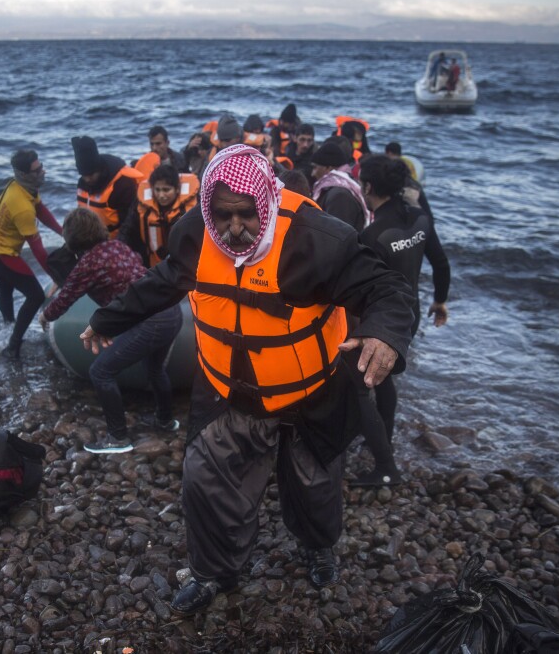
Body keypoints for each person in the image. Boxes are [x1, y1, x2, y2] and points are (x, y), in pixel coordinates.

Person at [80, 144, 414, 616]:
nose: (234, 229)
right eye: (223, 216)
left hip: (310, 394)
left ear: (267, 203)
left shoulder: (318, 240)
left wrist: (384, 333)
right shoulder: (195, 234)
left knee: (314, 484)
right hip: (228, 393)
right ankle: (215, 572)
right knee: (206, 482)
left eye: (247, 216)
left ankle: (318, 547)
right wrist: (107, 320)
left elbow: (386, 288)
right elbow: (163, 282)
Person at [39, 208, 183, 453]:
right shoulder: (118, 247)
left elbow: (66, 299)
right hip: (172, 312)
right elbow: (134, 270)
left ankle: (118, 439)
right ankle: (165, 421)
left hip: (152, 322)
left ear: (72, 237)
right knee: (155, 368)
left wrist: (45, 316)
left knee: (101, 372)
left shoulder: (88, 263)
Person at [350, 154, 450, 487]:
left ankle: (385, 466)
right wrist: (440, 301)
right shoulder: (420, 218)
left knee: (360, 387)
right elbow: (440, 263)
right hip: (412, 314)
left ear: (368, 187)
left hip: (379, 322)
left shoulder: (373, 234)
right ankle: (383, 438)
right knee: (386, 379)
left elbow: (359, 289)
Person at [0, 149, 62, 360]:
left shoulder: (23, 188)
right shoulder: (22, 207)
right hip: (1, 253)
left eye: (41, 166)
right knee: (35, 296)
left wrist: (64, 233)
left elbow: (41, 209)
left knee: (5, 289)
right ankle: (13, 346)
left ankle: (8, 330)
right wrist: (57, 276)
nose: (42, 172)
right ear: (25, 174)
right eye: (37, 170)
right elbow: (37, 250)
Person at [119, 163, 199, 267]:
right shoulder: (140, 205)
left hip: (185, 264)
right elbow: (127, 230)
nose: (161, 195)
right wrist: (118, 248)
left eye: (166, 190)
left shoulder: (195, 207)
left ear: (177, 189)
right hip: (152, 263)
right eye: (157, 190)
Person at [72, 135, 143, 239]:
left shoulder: (122, 184)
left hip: (117, 242)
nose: (87, 179)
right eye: (84, 175)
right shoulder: (82, 183)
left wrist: (116, 247)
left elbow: (130, 225)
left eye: (91, 174)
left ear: (99, 168)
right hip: (89, 241)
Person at [310, 141, 370, 233]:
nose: (312, 173)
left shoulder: (339, 196)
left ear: (328, 168)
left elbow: (336, 236)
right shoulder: (343, 187)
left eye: (315, 168)